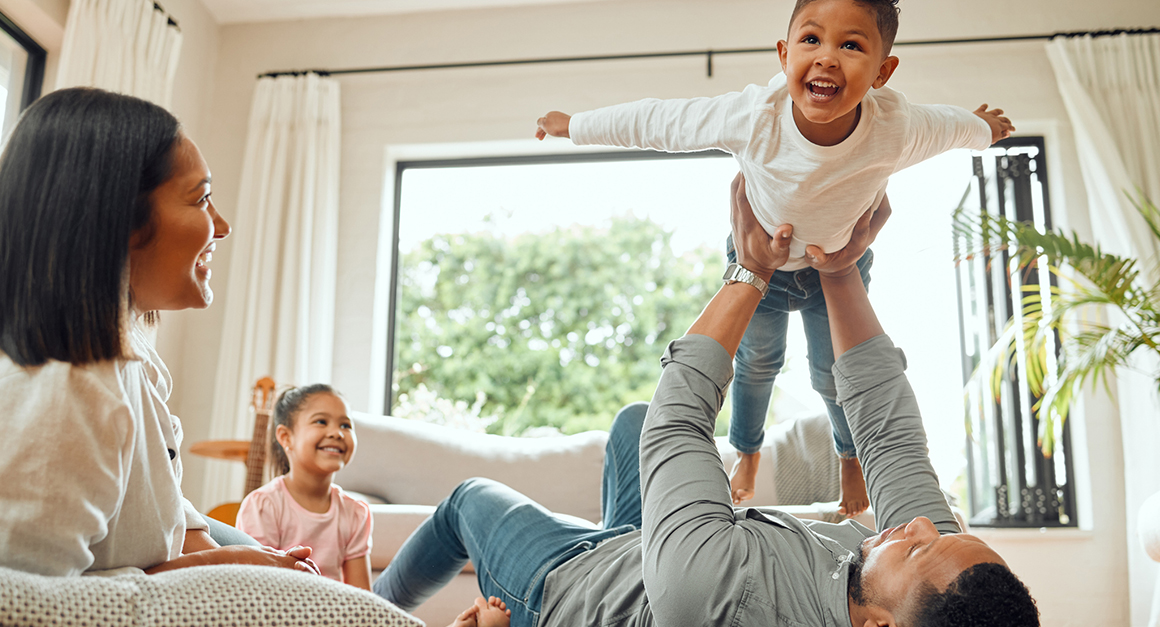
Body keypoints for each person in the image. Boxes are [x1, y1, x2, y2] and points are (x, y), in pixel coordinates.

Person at [373, 174, 1040, 626]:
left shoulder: (721, 595)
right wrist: (839, 271)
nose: (924, 527)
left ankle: (362, 607)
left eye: (922, 547)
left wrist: (750, 269)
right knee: (628, 423)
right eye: (946, 532)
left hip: (563, 585)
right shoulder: (929, 576)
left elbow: (678, 424)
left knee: (466, 500)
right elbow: (890, 436)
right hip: (643, 551)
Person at [534, 0, 1015, 516]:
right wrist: (577, 125)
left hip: (836, 264)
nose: (827, 58)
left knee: (832, 373)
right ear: (785, 56)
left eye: (850, 46)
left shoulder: (895, 127)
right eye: (812, 40)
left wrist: (982, 128)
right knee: (756, 364)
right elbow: (660, 120)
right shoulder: (753, 116)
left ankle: (848, 455)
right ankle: (747, 450)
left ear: (882, 71)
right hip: (762, 264)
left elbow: (950, 127)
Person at [0, 87, 319, 577]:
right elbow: (13, 602)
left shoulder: (113, 345)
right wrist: (227, 579)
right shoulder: (64, 390)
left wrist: (217, 554)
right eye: (202, 199)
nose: (223, 225)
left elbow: (155, 494)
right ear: (119, 219)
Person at [236, 384, 375, 588]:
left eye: (345, 425)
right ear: (285, 437)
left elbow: (362, 597)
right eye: (321, 422)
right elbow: (256, 586)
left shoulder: (355, 512)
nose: (337, 433)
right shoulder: (263, 505)